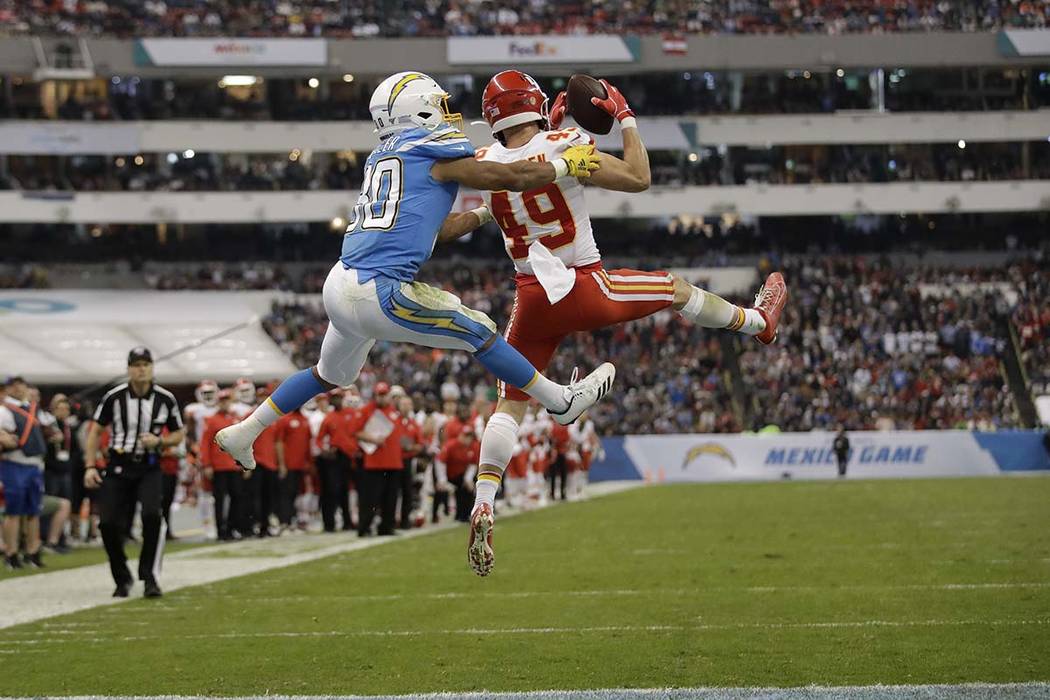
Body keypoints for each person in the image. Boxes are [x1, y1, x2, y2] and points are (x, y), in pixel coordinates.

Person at [448, 70, 789, 576]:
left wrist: (488, 209)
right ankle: (756, 321)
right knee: (675, 289)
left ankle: (485, 499)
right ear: (535, 107)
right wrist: (626, 117)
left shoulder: (480, 160)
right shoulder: (565, 143)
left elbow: (509, 182)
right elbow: (637, 177)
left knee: (510, 404)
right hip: (583, 285)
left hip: (530, 295)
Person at [214, 70, 616, 481]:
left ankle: (246, 430)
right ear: (419, 110)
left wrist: (482, 214)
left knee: (330, 373)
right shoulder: (432, 148)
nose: (447, 114)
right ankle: (558, 400)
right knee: (478, 329)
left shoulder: (385, 155)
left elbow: (433, 224)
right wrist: (563, 164)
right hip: (377, 291)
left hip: (340, 280)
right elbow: (509, 176)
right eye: (438, 105)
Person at [83, 348, 184, 597]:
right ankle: (122, 577)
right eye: (136, 364)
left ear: (152, 367)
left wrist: (159, 442)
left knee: (152, 516)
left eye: (145, 364)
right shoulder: (114, 397)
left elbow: (179, 433)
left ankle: (149, 576)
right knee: (106, 523)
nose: (141, 369)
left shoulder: (165, 398)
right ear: (128, 368)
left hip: (149, 466)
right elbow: (95, 431)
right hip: (118, 465)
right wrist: (90, 466)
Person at [1, 376, 49, 569]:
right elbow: (4, 436)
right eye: (14, 385)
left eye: (21, 384)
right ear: (8, 388)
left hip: (34, 464)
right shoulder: (5, 410)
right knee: (13, 512)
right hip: (14, 463)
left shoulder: (32, 409)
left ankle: (32, 551)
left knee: (33, 511)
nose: (19, 388)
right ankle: (11, 553)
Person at [352, 383, 402, 536]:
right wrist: (373, 439)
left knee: (390, 498)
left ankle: (387, 527)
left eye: (384, 394)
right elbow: (356, 432)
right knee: (370, 498)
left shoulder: (394, 412)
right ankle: (364, 527)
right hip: (374, 463)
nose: (382, 397)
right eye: (379, 394)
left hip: (393, 462)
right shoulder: (366, 411)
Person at [198, 390, 244, 540]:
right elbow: (205, 443)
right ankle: (221, 530)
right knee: (219, 499)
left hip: (234, 465)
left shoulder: (235, 418)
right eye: (222, 400)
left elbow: (243, 441)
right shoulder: (212, 420)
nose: (225, 403)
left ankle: (231, 527)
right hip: (219, 466)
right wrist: (207, 465)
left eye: (227, 400)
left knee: (236, 497)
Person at [44, 393, 80, 550]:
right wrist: (51, 442)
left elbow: (75, 449)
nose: (63, 411)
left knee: (66, 504)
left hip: (66, 470)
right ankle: (48, 538)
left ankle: (60, 537)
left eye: (66, 409)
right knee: (53, 505)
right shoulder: (49, 427)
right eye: (60, 408)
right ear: (53, 409)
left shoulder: (69, 428)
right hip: (52, 471)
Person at [274, 403, 313, 532]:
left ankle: (293, 520)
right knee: (286, 494)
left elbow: (307, 443)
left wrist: (308, 462)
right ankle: (284, 521)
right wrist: (282, 464)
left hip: (300, 465)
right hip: (289, 465)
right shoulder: (285, 420)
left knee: (296, 494)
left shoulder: (305, 420)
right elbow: (279, 442)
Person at [435, 423, 481, 523]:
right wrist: (442, 479)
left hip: (461, 475)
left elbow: (473, 464)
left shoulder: (473, 447)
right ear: (460, 435)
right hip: (448, 474)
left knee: (468, 488)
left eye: (470, 436)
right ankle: (439, 515)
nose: (467, 439)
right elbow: (440, 462)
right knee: (457, 489)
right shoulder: (451, 445)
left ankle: (466, 514)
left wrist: (468, 479)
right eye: (465, 436)